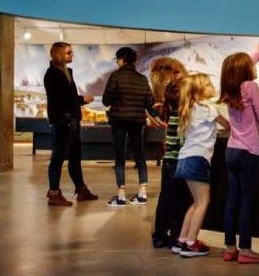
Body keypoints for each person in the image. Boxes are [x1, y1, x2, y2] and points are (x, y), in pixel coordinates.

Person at [218, 40, 259, 264]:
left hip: (232, 150)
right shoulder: (250, 87)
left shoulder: (229, 87)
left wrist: (258, 52)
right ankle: (246, 250)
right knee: (247, 201)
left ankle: (230, 248)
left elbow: (239, 66)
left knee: (232, 199)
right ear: (245, 71)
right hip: (248, 151)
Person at [174, 73, 230, 258]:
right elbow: (227, 125)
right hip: (198, 159)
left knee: (196, 202)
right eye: (208, 84)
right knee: (204, 201)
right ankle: (191, 243)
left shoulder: (190, 109)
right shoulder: (208, 108)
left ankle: (182, 240)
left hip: (184, 159)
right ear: (199, 90)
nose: (211, 86)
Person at [102, 46, 164, 207]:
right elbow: (150, 103)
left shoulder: (115, 76)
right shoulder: (142, 79)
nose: (116, 62)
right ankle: (142, 193)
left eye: (117, 59)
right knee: (139, 154)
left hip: (119, 120)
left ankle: (121, 195)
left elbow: (106, 101)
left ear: (122, 60)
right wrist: (158, 119)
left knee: (120, 156)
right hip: (137, 121)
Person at [44, 41, 98, 206]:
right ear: (59, 54)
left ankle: (81, 189)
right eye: (68, 52)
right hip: (63, 121)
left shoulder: (64, 72)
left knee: (74, 156)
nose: (72, 55)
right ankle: (54, 193)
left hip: (70, 120)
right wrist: (83, 99)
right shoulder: (54, 74)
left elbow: (66, 97)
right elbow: (63, 99)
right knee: (58, 157)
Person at [150, 58, 191, 248]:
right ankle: (176, 236)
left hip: (168, 160)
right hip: (177, 161)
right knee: (178, 200)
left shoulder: (170, 112)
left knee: (166, 197)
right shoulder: (181, 115)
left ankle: (159, 234)